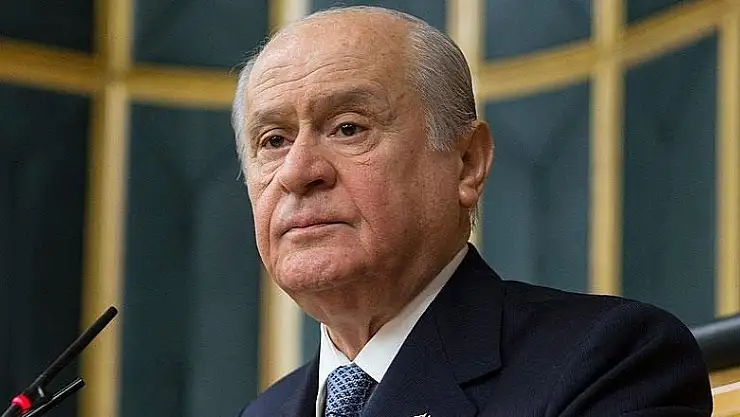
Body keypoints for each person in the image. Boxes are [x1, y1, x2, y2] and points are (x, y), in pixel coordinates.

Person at [231, 6, 712, 417]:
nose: (298, 171)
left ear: (466, 163)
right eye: (273, 141)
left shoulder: (609, 361)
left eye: (349, 128)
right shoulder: (264, 411)